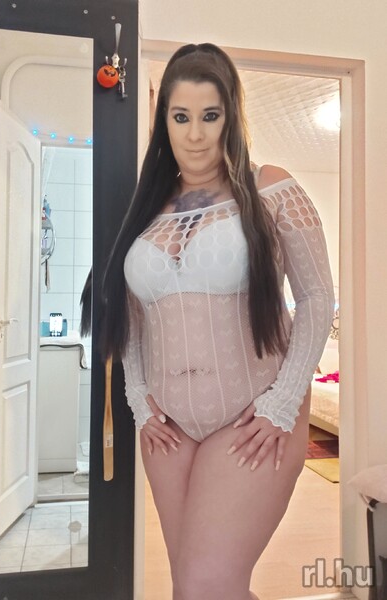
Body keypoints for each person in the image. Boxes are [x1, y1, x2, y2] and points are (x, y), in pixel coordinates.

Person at [81, 43, 334, 600]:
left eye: (210, 115)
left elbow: (317, 298)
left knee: (206, 586)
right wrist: (138, 397)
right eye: (181, 117)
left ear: (231, 117)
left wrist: (283, 402)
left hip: (252, 417)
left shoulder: (271, 188)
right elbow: (133, 316)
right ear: (164, 123)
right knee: (195, 591)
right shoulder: (147, 207)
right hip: (166, 428)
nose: (195, 134)